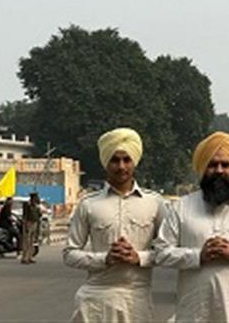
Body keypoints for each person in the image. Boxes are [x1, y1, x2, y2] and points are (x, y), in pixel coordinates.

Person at [155, 131, 229, 322]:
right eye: (212, 164)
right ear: (203, 168)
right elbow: (161, 253)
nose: (219, 170)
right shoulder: (181, 207)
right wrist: (198, 256)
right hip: (193, 314)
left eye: (225, 165)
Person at [63, 128, 166, 322]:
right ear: (105, 163)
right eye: (115, 160)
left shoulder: (155, 203)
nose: (121, 167)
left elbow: (168, 252)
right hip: (95, 298)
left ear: (134, 162)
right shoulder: (88, 204)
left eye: (126, 160)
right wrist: (105, 259)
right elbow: (69, 254)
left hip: (136, 299)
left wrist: (139, 257)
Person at [21, 192, 41, 264]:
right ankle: (24, 258)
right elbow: (25, 216)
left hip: (34, 223)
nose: (37, 198)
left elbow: (39, 216)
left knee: (32, 242)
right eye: (36, 197)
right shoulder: (27, 205)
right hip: (28, 223)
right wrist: (25, 225)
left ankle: (30, 257)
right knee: (26, 241)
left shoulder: (37, 206)